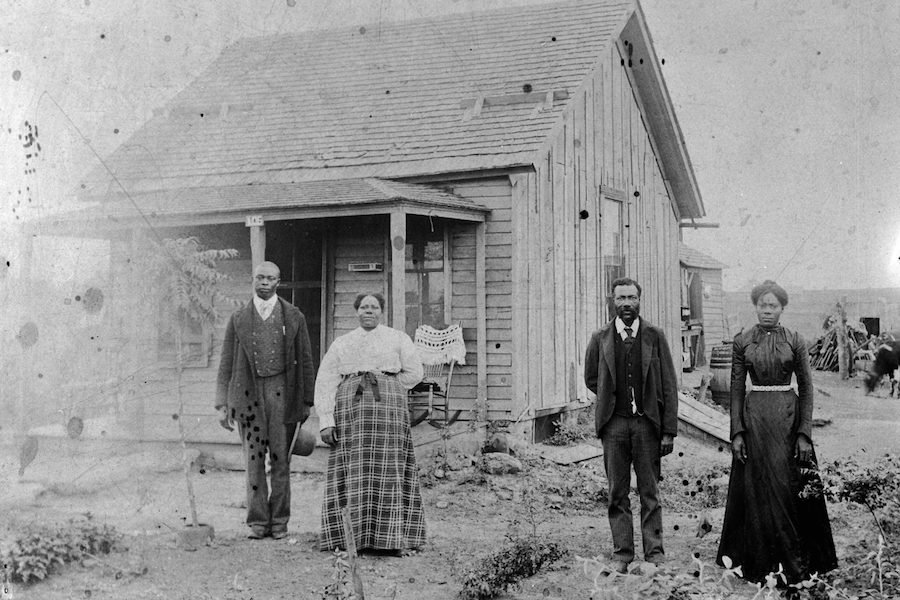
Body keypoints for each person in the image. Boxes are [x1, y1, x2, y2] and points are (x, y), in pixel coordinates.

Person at [716, 280, 837, 583]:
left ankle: (795, 559)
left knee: (787, 485)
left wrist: (805, 433)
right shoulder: (742, 340)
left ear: (782, 308)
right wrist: (737, 432)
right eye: (762, 305)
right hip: (755, 418)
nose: (767, 310)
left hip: (788, 417)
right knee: (756, 487)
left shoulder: (795, 339)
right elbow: (735, 389)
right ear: (755, 306)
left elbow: (807, 388)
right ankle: (758, 562)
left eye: (773, 305)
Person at [315, 292, 425, 554]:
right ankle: (347, 539)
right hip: (351, 412)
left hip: (388, 411)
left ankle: (392, 539)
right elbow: (326, 380)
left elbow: (415, 372)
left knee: (390, 470)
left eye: (374, 307)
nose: (369, 311)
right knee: (352, 468)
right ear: (356, 311)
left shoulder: (398, 338)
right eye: (364, 307)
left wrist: (391, 386)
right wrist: (326, 420)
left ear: (381, 311)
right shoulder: (343, 342)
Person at [584, 277, 679, 573]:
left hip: (646, 426)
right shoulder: (600, 338)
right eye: (621, 298)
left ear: (640, 300)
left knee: (650, 492)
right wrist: (611, 404)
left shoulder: (654, 336)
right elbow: (591, 378)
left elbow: (669, 385)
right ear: (611, 301)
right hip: (614, 427)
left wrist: (668, 430)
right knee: (617, 492)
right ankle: (622, 553)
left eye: (632, 298)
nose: (626, 303)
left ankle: (654, 552)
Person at [215, 261, 316, 539]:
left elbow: (306, 360)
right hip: (247, 394)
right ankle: (258, 521)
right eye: (259, 277)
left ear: (278, 282)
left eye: (270, 278)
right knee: (254, 459)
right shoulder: (238, 318)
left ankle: (280, 522)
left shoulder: (293, 316)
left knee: (281, 459)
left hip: (282, 393)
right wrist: (222, 403)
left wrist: (307, 400)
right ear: (253, 280)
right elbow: (225, 363)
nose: (264, 283)